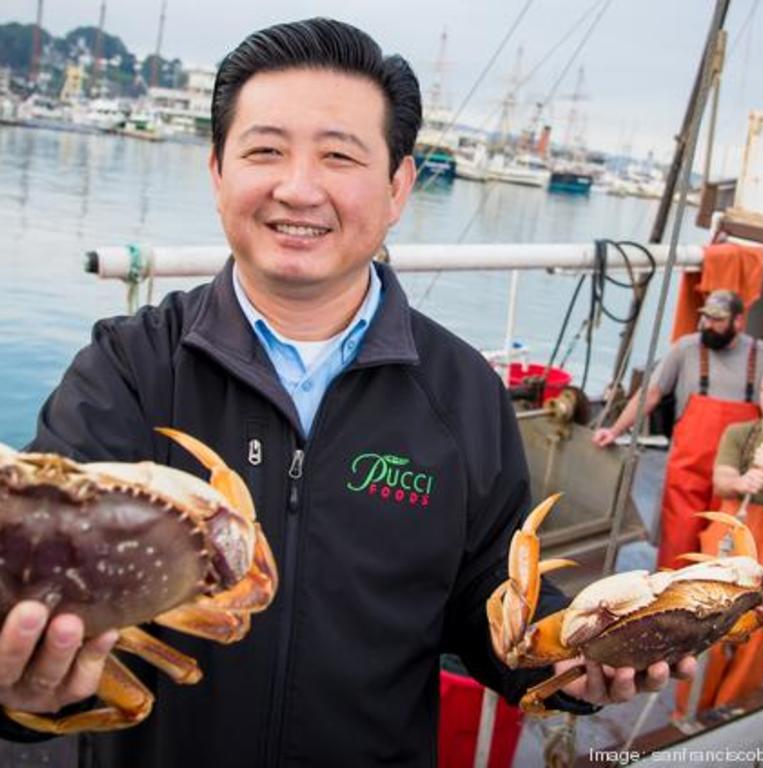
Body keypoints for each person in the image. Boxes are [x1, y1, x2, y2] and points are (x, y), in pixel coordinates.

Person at [0, 19, 693, 767]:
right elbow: (42, 577)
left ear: (398, 186)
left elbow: (492, 605)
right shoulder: (131, 366)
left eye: (339, 155)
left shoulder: (462, 393)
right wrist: (26, 697)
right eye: (265, 150)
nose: (298, 188)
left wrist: (586, 662)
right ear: (217, 171)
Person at [593, 289, 763, 569]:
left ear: (738, 322)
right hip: (689, 469)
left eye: (717, 320)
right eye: (706, 318)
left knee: (724, 549)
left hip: (735, 469)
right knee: (677, 544)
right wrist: (615, 430)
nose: (708, 325)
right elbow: (650, 394)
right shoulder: (686, 348)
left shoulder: (761, 354)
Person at [676, 369, 763, 715]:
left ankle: (731, 710)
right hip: (736, 527)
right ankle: (688, 708)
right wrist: (743, 480)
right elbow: (722, 479)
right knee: (709, 618)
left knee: (759, 632)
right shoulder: (741, 433)